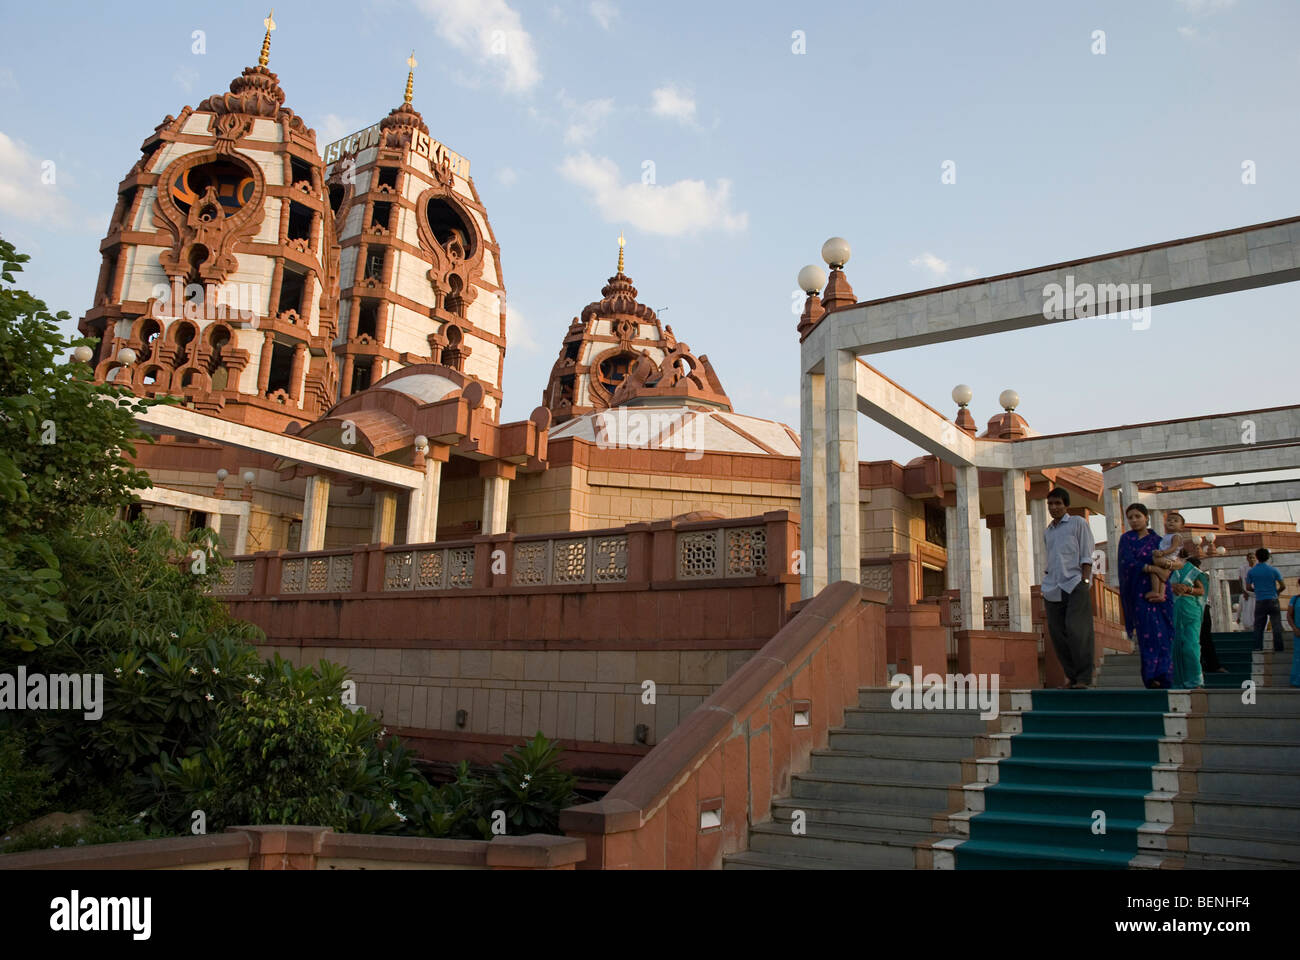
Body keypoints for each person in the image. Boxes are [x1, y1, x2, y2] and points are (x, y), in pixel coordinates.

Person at [1041, 487, 1096, 688]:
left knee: (1077, 630)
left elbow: (1086, 553)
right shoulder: (1048, 531)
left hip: (1075, 583)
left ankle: (1084, 676)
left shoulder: (1077, 524)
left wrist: (1085, 580)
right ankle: (1071, 676)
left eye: (1058, 503)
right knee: (1057, 633)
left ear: (1066, 505)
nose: (1054, 507)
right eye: (1050, 504)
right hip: (1053, 587)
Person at [1118, 503, 1175, 689]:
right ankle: (1151, 677)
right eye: (1130, 517)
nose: (1134, 520)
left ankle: (1164, 675)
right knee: (1148, 635)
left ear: (1146, 518)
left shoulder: (1159, 541)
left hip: (1161, 594)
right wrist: (1151, 568)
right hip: (1140, 594)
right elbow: (1126, 562)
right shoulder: (1126, 539)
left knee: (1164, 635)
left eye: (1137, 516)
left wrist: (1161, 573)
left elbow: (1170, 562)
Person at [1169, 543, 1209, 688]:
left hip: (1191, 612)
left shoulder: (1192, 570)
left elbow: (1201, 590)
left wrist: (1187, 589)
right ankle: (1176, 681)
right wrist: (1172, 587)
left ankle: (1195, 681)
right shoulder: (1165, 570)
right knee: (1174, 647)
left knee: (1190, 646)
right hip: (1172, 612)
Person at [1246, 548, 1286, 652]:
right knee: (1276, 625)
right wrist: (1276, 592)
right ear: (1268, 557)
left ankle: (1257, 647)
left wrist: (1258, 590)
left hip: (1260, 601)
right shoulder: (1273, 570)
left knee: (1258, 626)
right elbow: (1283, 586)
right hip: (1273, 600)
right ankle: (1278, 648)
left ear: (1257, 557)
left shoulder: (1252, 571)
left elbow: (1248, 587)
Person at [1146, 512, 1187, 602]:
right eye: (1169, 520)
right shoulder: (1166, 536)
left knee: (1155, 565)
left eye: (1175, 521)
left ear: (1181, 527)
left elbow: (1173, 548)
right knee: (1159, 575)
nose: (1171, 522)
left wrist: (1162, 553)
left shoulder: (1176, 536)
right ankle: (1159, 593)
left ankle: (1156, 591)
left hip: (1169, 558)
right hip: (1165, 557)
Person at [1237, 553, 1257, 631]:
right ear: (1247, 559)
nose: (1252, 559)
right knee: (1247, 612)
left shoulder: (1258, 568)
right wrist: (1244, 591)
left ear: (1256, 559)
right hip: (1247, 594)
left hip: (1257, 594)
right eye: (1250, 558)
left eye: (1253, 558)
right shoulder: (1242, 568)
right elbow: (1240, 580)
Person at [1288, 579, 1300, 688]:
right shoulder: (1295, 599)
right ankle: (1296, 681)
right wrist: (1294, 628)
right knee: (1298, 658)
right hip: (1298, 633)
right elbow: (1289, 615)